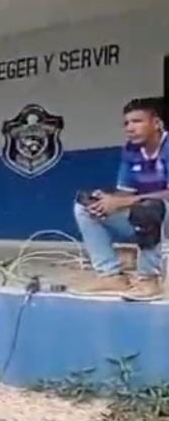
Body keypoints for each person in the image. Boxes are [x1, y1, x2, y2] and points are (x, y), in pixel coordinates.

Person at [74, 97, 169, 300]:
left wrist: (124, 201)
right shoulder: (131, 150)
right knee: (85, 206)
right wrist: (108, 200)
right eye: (126, 123)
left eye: (137, 121)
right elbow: (126, 193)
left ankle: (149, 280)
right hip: (148, 220)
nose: (130, 128)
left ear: (156, 123)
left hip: (162, 219)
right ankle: (110, 275)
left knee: (149, 208)